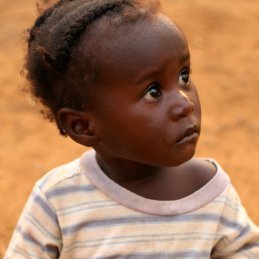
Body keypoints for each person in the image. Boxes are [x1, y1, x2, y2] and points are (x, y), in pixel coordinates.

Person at [5, 0, 259, 258]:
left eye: (184, 76)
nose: (185, 103)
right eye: (153, 92)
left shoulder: (210, 191)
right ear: (82, 126)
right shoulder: (57, 200)